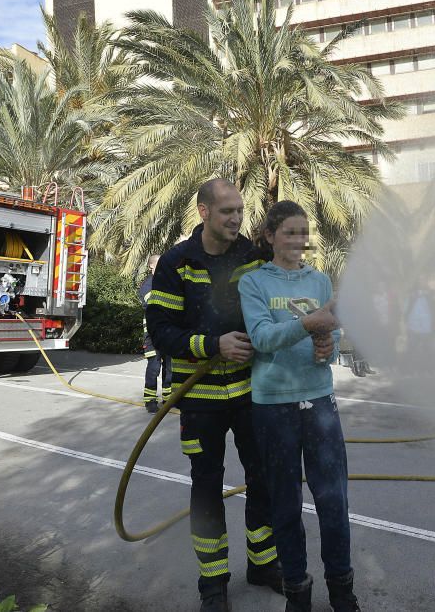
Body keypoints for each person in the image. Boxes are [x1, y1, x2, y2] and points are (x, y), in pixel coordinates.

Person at [145, 179, 282, 611]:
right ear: (203, 212)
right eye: (227, 212)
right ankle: (213, 584)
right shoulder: (176, 263)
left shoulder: (252, 257)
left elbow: (274, 306)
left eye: (240, 211)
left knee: (263, 477)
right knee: (206, 486)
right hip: (199, 398)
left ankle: (262, 563)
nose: (237, 219)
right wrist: (212, 345)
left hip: (249, 395)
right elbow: (161, 332)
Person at [238, 201, 360, 612]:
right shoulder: (254, 284)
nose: (297, 240)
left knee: (333, 501)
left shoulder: (321, 281)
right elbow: (262, 339)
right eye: (289, 232)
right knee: (285, 505)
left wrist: (329, 346)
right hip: (273, 405)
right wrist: (309, 325)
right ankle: (297, 592)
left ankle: (342, 592)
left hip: (319, 399)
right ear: (270, 236)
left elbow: (333, 337)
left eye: (303, 232)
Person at [138, 254, 169, 413]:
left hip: (168, 333)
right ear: (151, 266)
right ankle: (150, 400)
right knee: (154, 367)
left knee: (169, 367)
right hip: (152, 335)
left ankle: (168, 399)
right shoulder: (147, 284)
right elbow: (153, 303)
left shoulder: (166, 282)